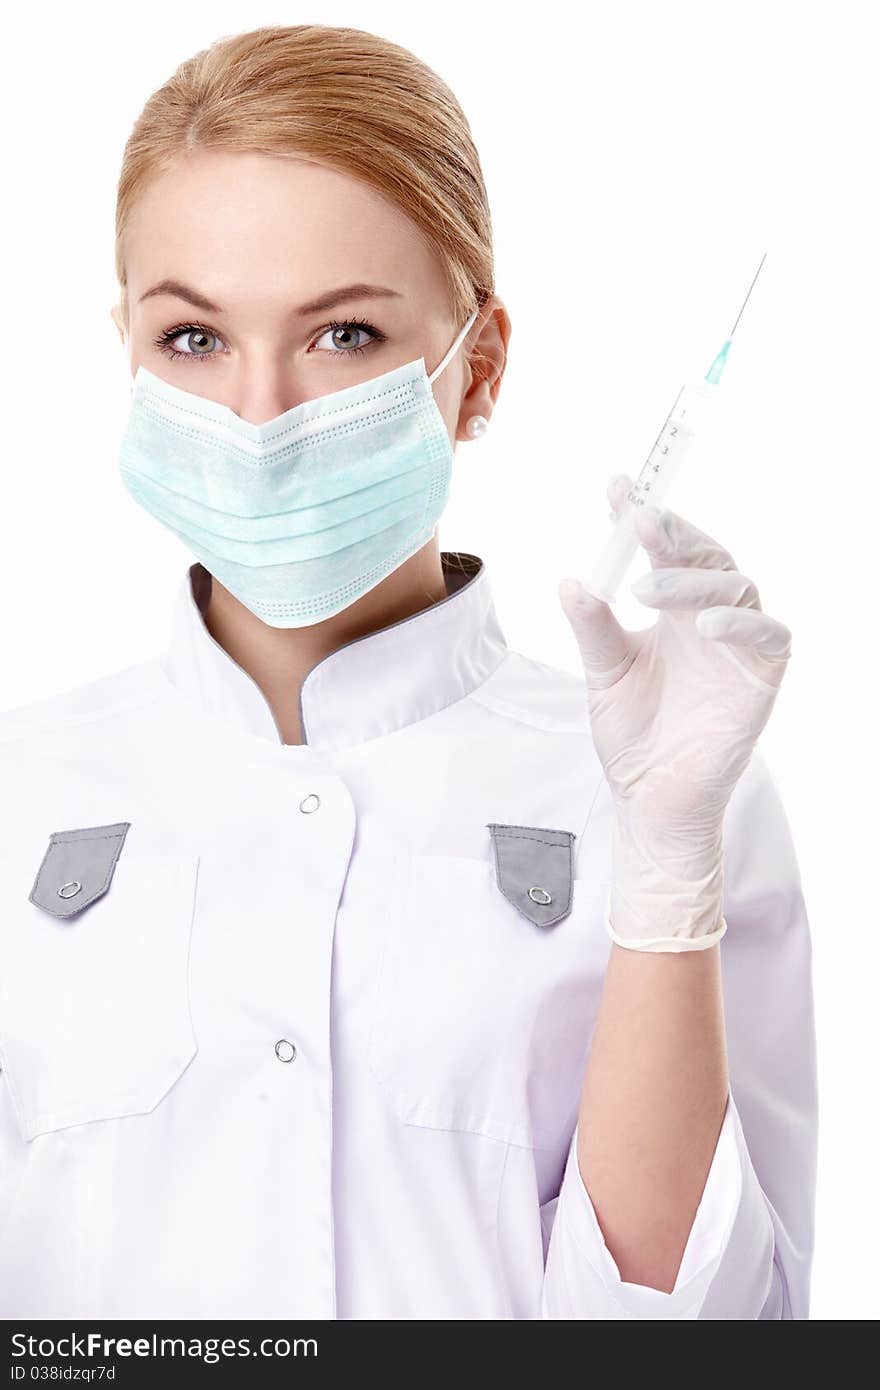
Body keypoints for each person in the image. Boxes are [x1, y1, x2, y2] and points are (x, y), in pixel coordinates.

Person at [0, 23, 816, 1320]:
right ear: (127, 347)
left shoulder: (663, 794)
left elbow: (707, 1334)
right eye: (195, 340)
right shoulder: (23, 786)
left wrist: (662, 865)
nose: (259, 415)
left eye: (344, 337)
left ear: (478, 366)